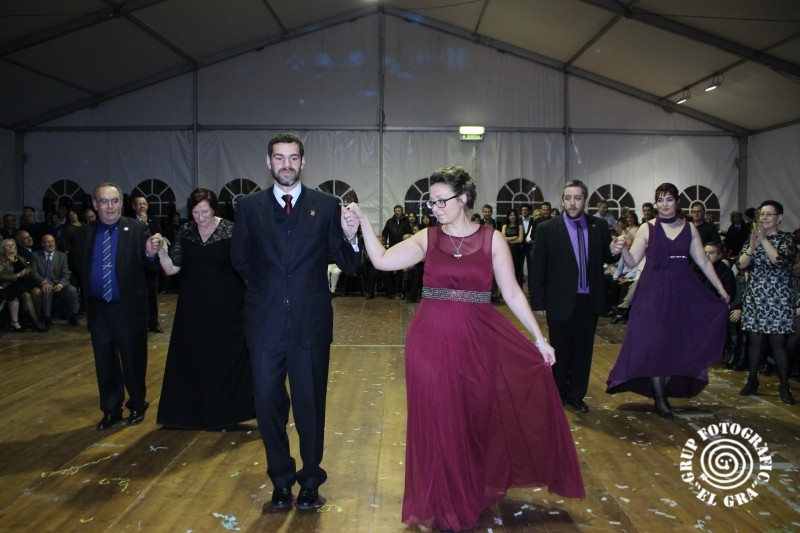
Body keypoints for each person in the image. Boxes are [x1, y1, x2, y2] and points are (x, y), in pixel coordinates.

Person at [350, 165, 584, 532]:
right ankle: (444, 504)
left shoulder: (493, 240)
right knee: (439, 421)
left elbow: (511, 292)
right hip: (429, 341)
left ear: (463, 199)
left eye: (441, 201)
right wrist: (364, 221)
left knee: (474, 419)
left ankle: (467, 490)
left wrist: (539, 339)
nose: (435, 208)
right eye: (431, 202)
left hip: (478, 341)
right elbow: (381, 260)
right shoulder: (427, 237)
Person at [231, 132, 361, 512]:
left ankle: (310, 479)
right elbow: (240, 259)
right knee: (267, 403)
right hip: (264, 324)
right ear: (268, 162)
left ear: (303, 162)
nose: (286, 165)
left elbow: (349, 262)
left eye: (292, 158)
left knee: (310, 406)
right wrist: (268, 291)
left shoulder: (326, 205)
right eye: (279, 157)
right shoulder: (249, 207)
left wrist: (351, 236)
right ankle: (281, 478)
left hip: (310, 325)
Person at [606, 183, 730, 418]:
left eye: (669, 199)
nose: (664, 204)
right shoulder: (647, 228)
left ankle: (661, 393)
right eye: (660, 200)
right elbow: (632, 262)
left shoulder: (689, 228)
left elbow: (704, 261)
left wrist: (720, 288)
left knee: (673, 342)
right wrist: (621, 248)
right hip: (652, 292)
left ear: (677, 202)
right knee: (654, 342)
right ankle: (660, 398)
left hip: (681, 291)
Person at [155, 188, 255, 429]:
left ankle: (228, 414)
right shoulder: (186, 231)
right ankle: (193, 414)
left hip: (228, 308)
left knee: (227, 358)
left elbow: (246, 266)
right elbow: (172, 268)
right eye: (195, 212)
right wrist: (160, 252)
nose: (200, 217)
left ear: (214, 209)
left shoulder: (230, 230)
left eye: (205, 212)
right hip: (193, 308)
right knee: (195, 358)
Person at [72, 183, 162, 430]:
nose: (110, 206)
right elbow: (79, 267)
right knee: (104, 362)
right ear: (95, 204)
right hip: (99, 309)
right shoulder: (83, 234)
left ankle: (137, 405)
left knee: (133, 359)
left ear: (121, 203)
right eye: (104, 201)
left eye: (114, 201)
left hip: (128, 308)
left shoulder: (137, 229)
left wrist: (151, 254)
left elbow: (152, 267)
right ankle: (111, 411)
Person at [531, 180, 621, 413]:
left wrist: (614, 251)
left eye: (578, 198)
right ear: (562, 200)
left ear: (586, 200)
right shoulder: (547, 228)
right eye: (568, 198)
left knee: (583, 350)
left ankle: (576, 395)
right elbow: (537, 267)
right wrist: (538, 302)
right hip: (559, 300)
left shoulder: (599, 226)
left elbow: (608, 257)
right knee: (560, 350)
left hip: (590, 301)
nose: (572, 203)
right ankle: (558, 393)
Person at [737, 200, 796, 405]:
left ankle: (784, 386)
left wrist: (764, 240)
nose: (764, 217)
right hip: (756, 296)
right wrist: (753, 246)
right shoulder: (752, 237)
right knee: (755, 341)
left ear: (779, 218)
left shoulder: (787, 239)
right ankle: (752, 380)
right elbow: (741, 264)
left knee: (778, 344)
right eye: (762, 214)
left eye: (769, 214)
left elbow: (779, 262)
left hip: (778, 298)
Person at [30, 234, 80, 329]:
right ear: (42, 244)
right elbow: (34, 273)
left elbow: (66, 274)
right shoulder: (35, 255)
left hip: (58, 283)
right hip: (44, 283)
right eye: (48, 242)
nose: (51, 244)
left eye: (52, 241)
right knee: (47, 289)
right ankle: (47, 319)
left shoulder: (62, 256)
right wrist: (44, 282)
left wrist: (60, 285)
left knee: (72, 290)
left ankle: (73, 315)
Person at [131, 195, 164, 333]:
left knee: (152, 295)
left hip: (151, 264)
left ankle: (154, 323)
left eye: (144, 204)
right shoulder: (129, 221)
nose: (142, 206)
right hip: (136, 264)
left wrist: (146, 224)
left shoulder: (153, 220)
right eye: (139, 204)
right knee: (137, 296)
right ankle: (140, 323)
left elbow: (160, 235)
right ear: (134, 206)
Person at [1, 238, 46, 332]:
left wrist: (28, 272)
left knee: (37, 291)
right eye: (8, 246)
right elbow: (1, 276)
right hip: (12, 285)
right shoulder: (2, 260)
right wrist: (17, 275)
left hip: (24, 283)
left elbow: (28, 272)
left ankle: (38, 318)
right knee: (26, 295)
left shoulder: (21, 258)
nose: (11, 247)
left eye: (12, 245)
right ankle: (36, 322)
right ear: (3, 248)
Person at [501, 208, 524, 286]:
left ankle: (517, 287)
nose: (512, 217)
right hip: (507, 250)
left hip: (517, 251)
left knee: (517, 269)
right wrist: (514, 237)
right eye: (510, 215)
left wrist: (508, 240)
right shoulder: (504, 226)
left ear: (516, 216)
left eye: (514, 215)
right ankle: (507, 287)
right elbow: (502, 239)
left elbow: (520, 240)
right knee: (507, 269)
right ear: (508, 217)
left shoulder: (520, 226)